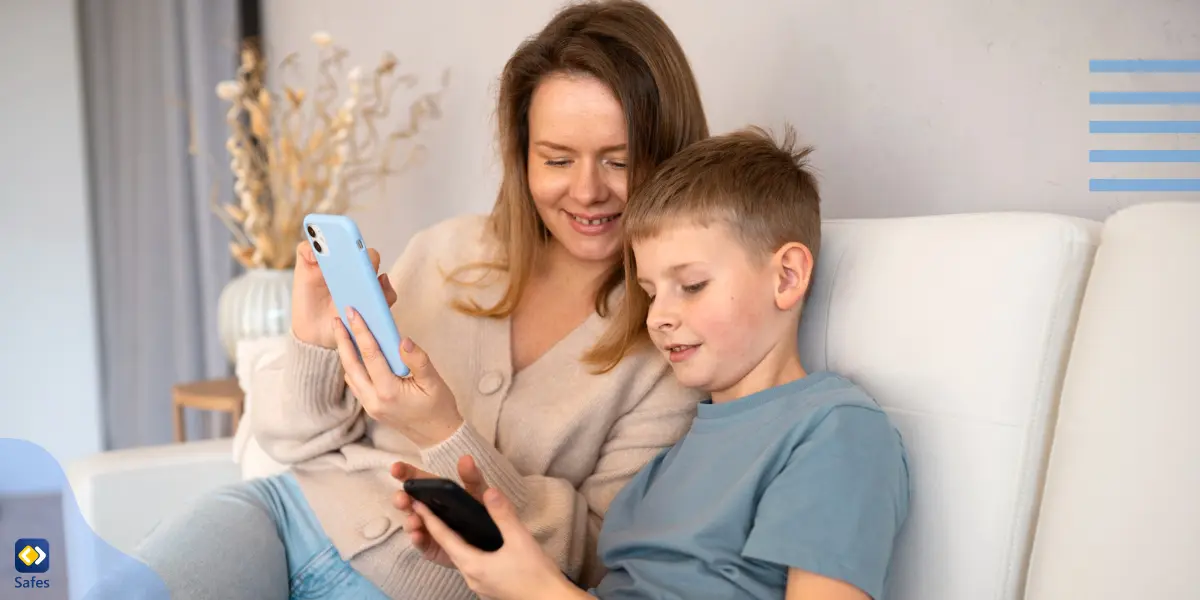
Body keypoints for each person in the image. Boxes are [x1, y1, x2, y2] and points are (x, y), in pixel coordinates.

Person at [88, 2, 710, 599]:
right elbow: (293, 441)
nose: (587, 190)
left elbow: (596, 557)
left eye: (620, 161)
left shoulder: (673, 342)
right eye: (556, 159)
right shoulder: (449, 251)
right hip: (281, 520)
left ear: (669, 156)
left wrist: (442, 431)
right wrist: (313, 344)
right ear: (522, 155)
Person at [396, 127, 912, 600]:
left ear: (787, 277)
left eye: (691, 286)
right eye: (649, 293)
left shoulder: (833, 432)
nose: (660, 317)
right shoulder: (670, 458)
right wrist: (495, 565)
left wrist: (539, 592)